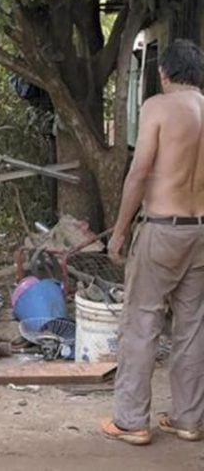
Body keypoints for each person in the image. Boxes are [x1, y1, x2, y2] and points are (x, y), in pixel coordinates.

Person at [102, 39, 204, 445]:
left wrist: (121, 230)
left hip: (163, 226)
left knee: (142, 320)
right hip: (200, 230)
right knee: (192, 326)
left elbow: (140, 171)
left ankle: (131, 421)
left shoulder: (159, 107)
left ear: (165, 74)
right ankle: (188, 419)